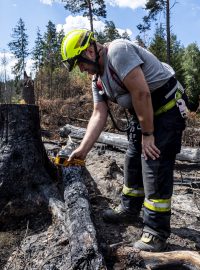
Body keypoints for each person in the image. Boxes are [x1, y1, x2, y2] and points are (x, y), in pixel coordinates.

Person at [60, 29, 188, 252]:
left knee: (153, 165)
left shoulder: (118, 52)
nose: (80, 69)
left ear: (90, 51)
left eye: (79, 62)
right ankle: (129, 210)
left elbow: (141, 93)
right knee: (132, 161)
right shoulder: (97, 80)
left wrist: (148, 135)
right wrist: (83, 149)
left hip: (166, 110)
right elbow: (99, 113)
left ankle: (156, 233)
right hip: (144, 115)